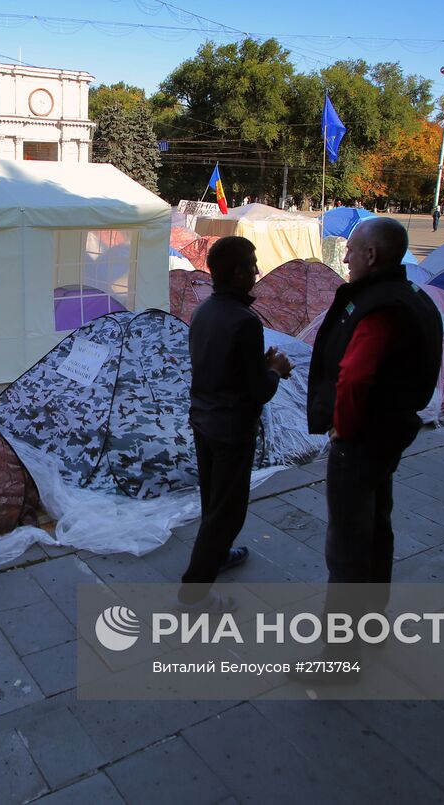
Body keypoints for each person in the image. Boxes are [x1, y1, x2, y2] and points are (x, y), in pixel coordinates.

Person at [299, 218, 443, 678]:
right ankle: (373, 624)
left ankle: (338, 659)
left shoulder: (380, 309)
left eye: (352, 250)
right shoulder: (412, 297)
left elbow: (355, 378)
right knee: (377, 526)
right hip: (390, 433)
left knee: (346, 547)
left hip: (362, 439)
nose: (345, 258)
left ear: (373, 256)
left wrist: (342, 427)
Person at [181, 236, 292, 611]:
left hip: (204, 422)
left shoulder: (204, 312)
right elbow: (259, 391)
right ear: (236, 272)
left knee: (213, 500)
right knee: (227, 512)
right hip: (231, 431)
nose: (257, 271)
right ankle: (194, 593)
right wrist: (275, 370)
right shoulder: (245, 321)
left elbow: (222, 369)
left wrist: (256, 365)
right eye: (252, 264)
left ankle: (219, 555)